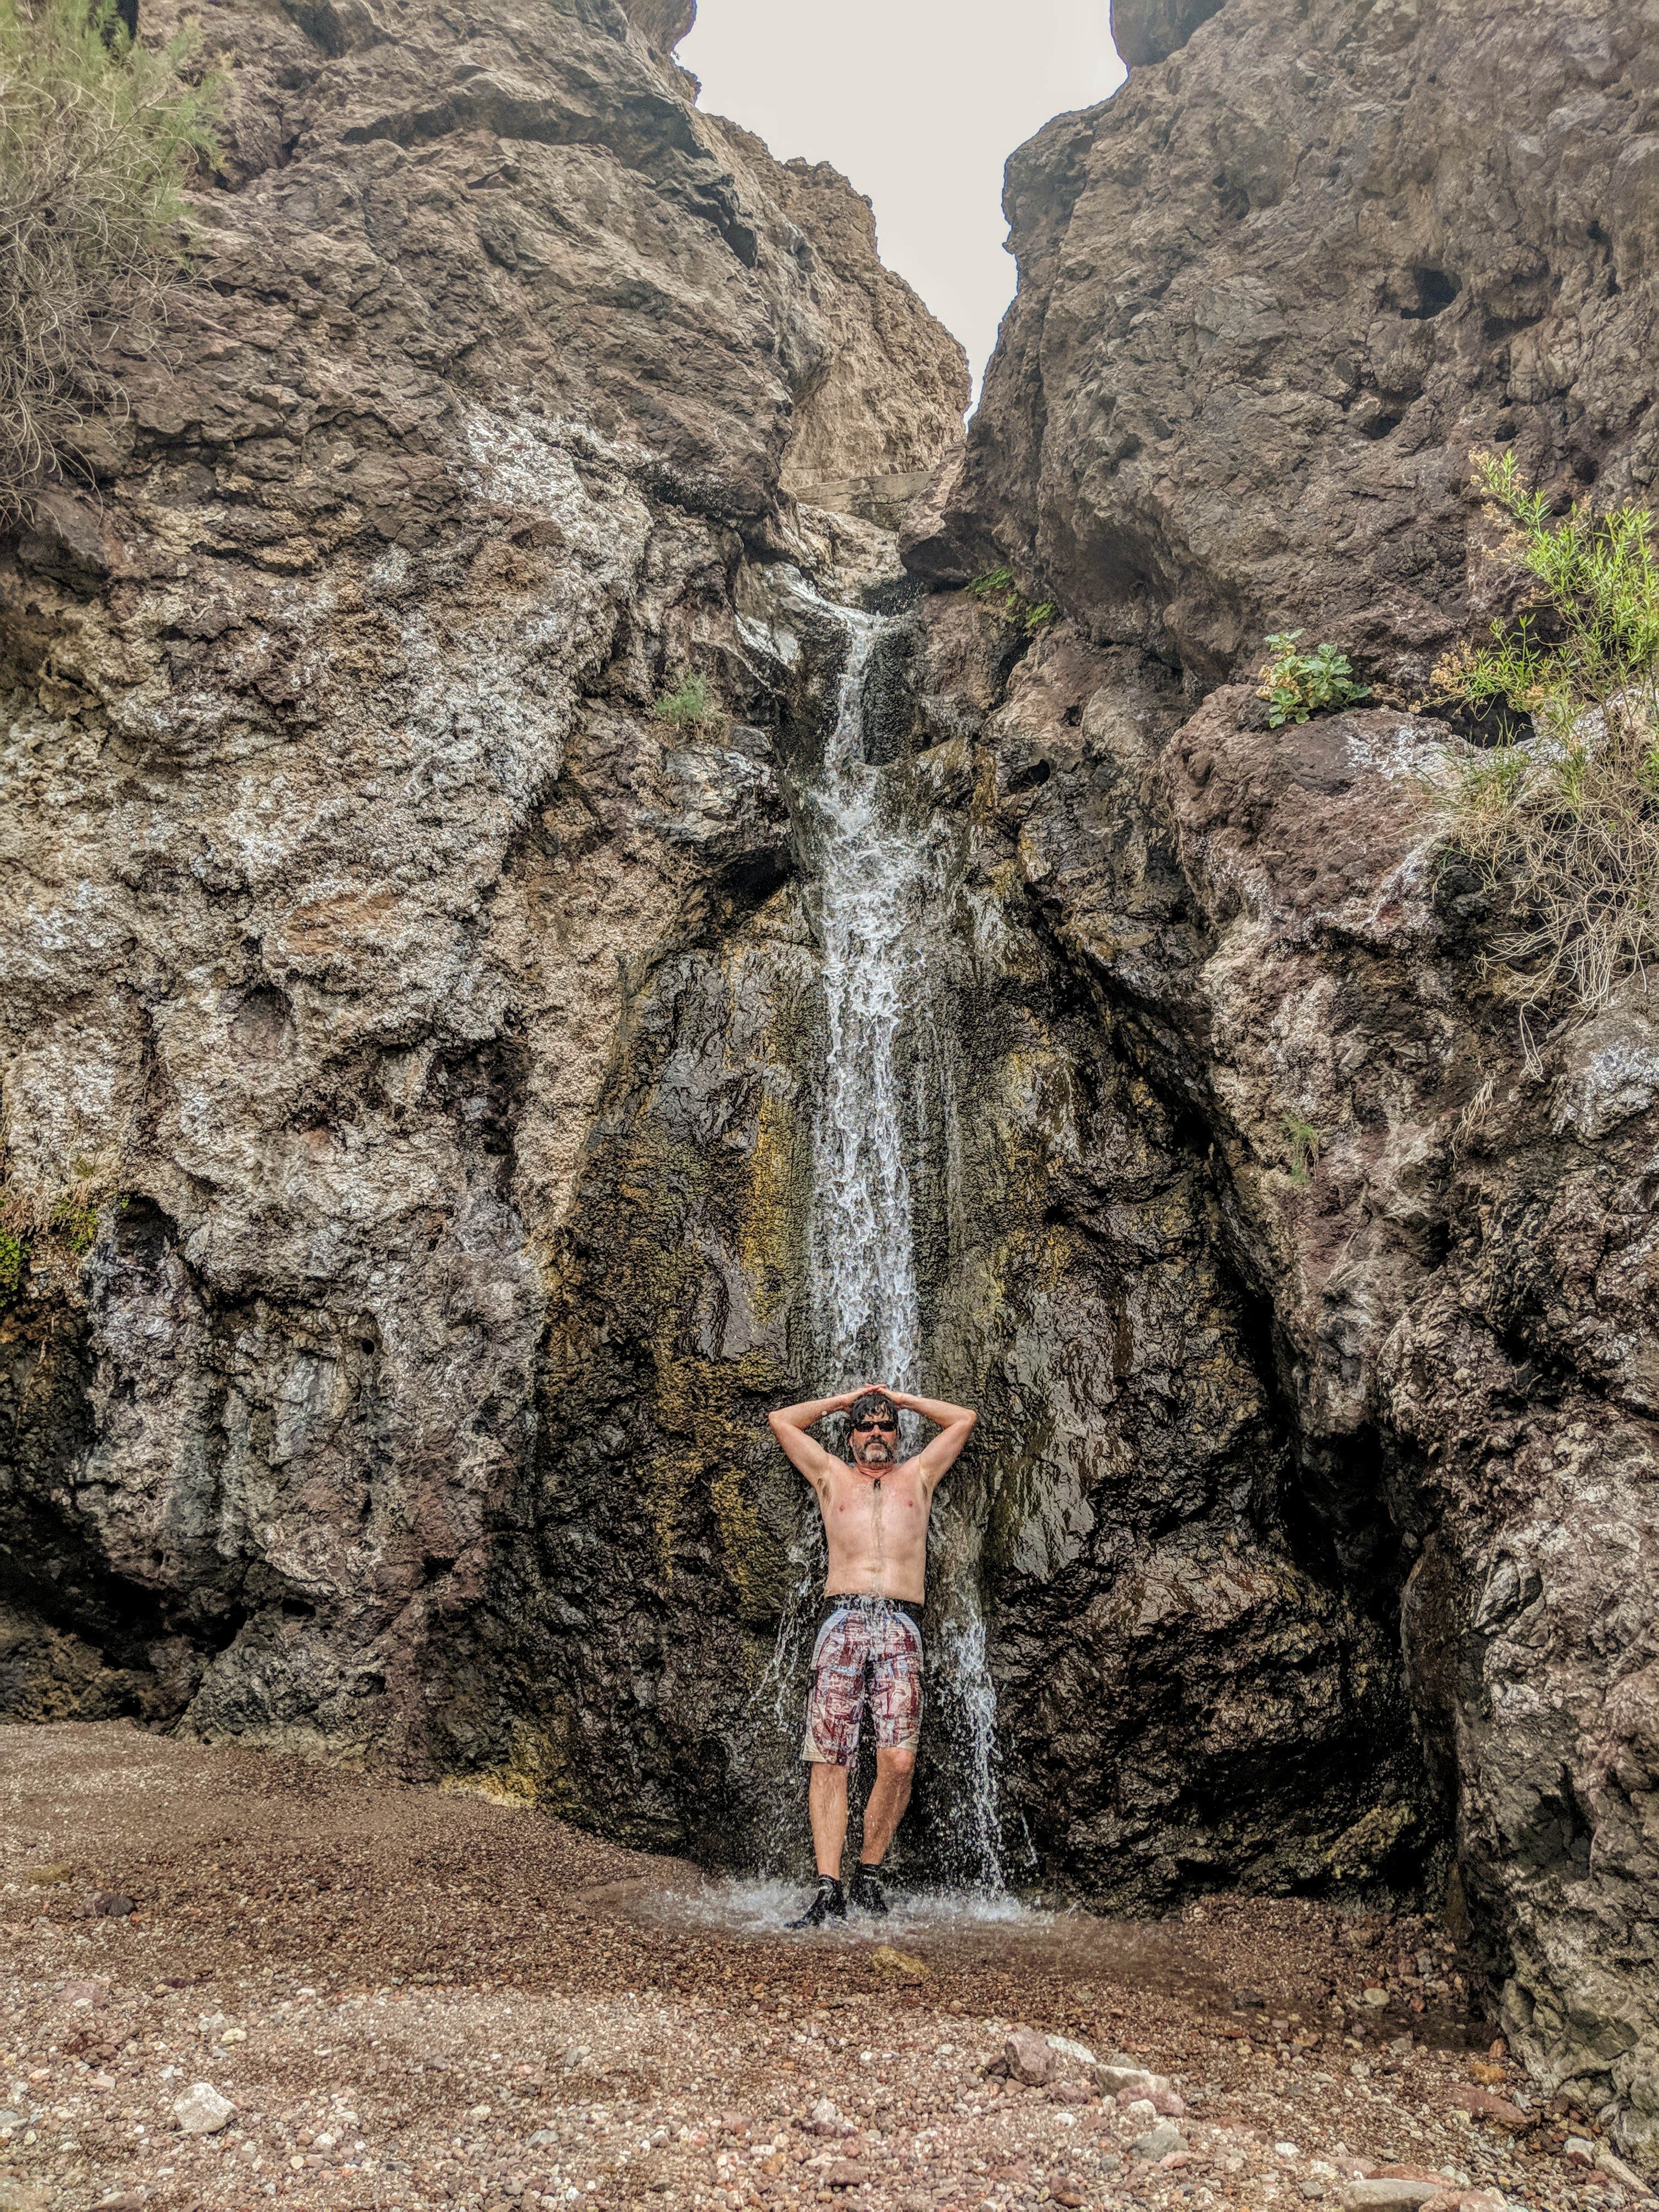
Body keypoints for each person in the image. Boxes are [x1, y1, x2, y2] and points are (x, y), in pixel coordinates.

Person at [766, 1381, 979, 1927]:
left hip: (901, 1623)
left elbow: (964, 1419)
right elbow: (781, 1421)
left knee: (899, 1758)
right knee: (829, 1756)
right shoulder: (830, 1475)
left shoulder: (920, 1476)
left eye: (886, 1425)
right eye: (867, 1425)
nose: (877, 1433)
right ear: (852, 1435)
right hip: (843, 1618)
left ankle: (869, 1873)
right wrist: (841, 1402)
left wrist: (904, 1400)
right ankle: (828, 1888)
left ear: (899, 1434)